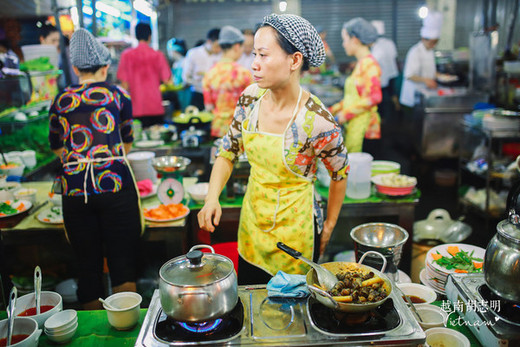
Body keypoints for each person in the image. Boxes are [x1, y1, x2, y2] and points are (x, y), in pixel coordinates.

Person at [198, 14, 349, 285]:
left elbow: (340, 172)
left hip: (297, 230)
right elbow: (228, 151)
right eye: (254, 54)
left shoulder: (317, 120)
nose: (254, 64)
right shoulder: (250, 99)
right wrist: (211, 198)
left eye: (264, 55)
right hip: (253, 221)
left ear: (294, 60)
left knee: (293, 311)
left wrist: (329, 225)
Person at [48, 28, 142, 310]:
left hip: (75, 189)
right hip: (114, 185)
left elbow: (57, 147)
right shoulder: (118, 96)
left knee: (86, 264)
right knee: (122, 261)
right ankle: (126, 328)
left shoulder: (61, 100)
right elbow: (127, 143)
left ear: (75, 68)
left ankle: (94, 333)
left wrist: (81, 161)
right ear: (105, 66)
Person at [329, 18, 382, 154]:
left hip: (365, 129)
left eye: (345, 39)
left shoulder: (370, 65)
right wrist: (330, 110)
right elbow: (353, 98)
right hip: (354, 124)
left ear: (355, 40)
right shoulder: (361, 64)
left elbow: (374, 98)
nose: (343, 44)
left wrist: (344, 114)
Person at [117, 22, 171, 127]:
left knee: (138, 140)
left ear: (136, 36)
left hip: (135, 109)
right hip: (155, 107)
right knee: (157, 139)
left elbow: (124, 85)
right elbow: (167, 81)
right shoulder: (158, 55)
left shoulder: (126, 55)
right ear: (150, 36)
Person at [203, 26, 253, 138]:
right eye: (242, 47)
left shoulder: (210, 73)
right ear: (236, 46)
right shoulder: (243, 73)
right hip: (239, 129)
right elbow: (252, 104)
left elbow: (209, 106)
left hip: (218, 129)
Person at [399, 11, 443, 108]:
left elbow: (430, 70)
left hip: (424, 93)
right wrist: (426, 80)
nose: (434, 45)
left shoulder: (430, 51)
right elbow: (409, 75)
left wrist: (440, 76)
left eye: (436, 42)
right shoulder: (415, 52)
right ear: (423, 38)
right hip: (412, 96)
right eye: (432, 42)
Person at [182, 28, 222, 110]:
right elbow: (186, 77)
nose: (219, 49)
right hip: (198, 94)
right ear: (209, 42)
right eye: (217, 46)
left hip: (216, 96)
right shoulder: (194, 53)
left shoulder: (221, 55)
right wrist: (199, 83)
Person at [370, 20, 399, 123]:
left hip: (382, 76)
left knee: (382, 99)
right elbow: (395, 57)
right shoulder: (390, 42)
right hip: (392, 73)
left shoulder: (376, 46)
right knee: (393, 94)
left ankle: (383, 119)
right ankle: (397, 110)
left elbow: (373, 61)